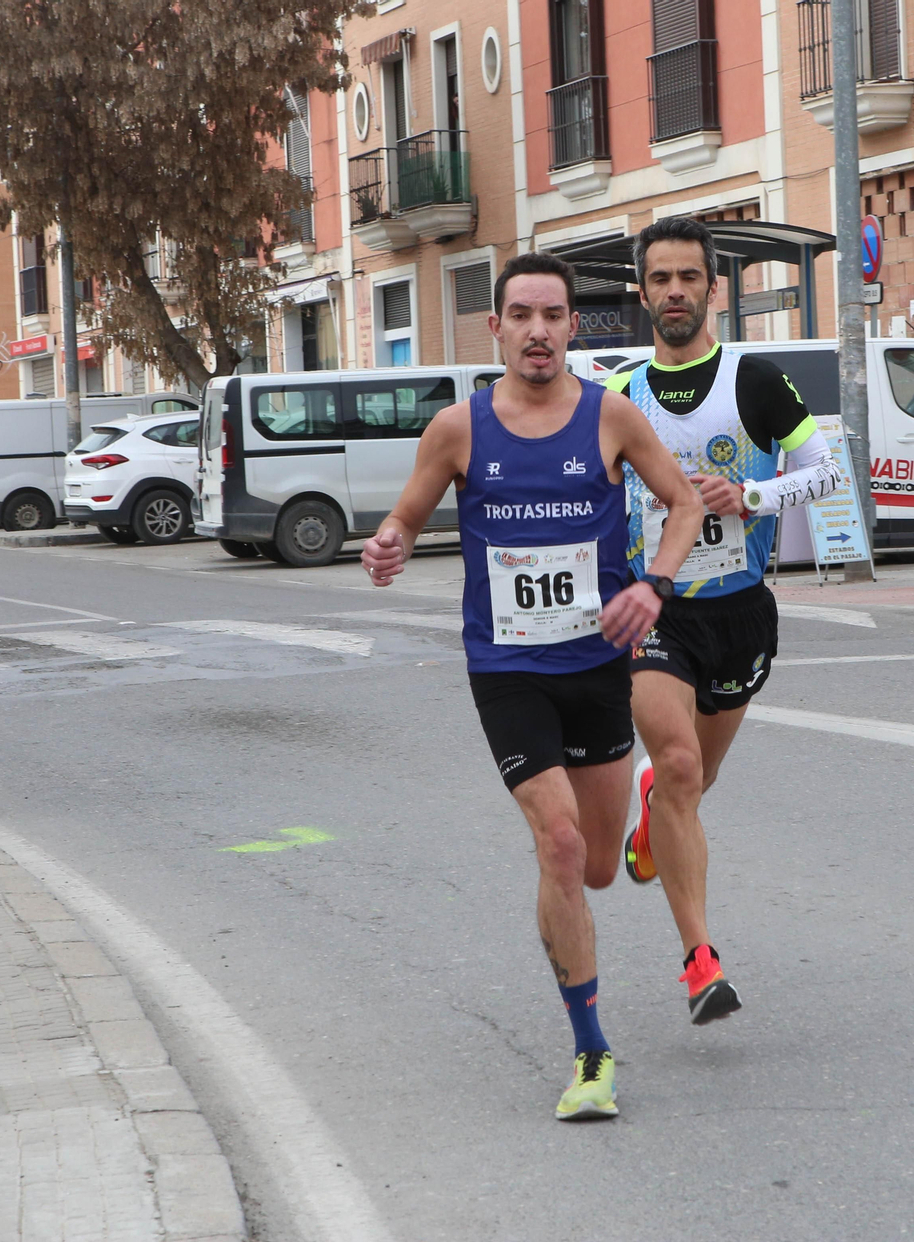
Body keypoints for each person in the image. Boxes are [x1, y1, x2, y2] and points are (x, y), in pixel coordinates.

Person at [361, 252, 703, 1120]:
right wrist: (390, 542)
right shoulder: (460, 429)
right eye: (523, 315)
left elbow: (686, 505)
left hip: (596, 665)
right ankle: (591, 1052)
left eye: (554, 316)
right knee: (557, 846)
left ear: (573, 328)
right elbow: (406, 513)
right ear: (497, 329)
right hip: (507, 670)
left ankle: (641, 809)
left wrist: (652, 585)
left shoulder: (611, 416)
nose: (539, 332)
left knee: (594, 867)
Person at [605, 216, 845, 1024]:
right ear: (642, 294)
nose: (675, 291)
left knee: (694, 780)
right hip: (656, 612)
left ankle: (653, 820)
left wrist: (754, 496)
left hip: (741, 615)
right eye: (661, 279)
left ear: (713, 288)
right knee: (676, 768)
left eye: (689, 278)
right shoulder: (620, 397)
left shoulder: (756, 381)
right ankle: (701, 960)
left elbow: (828, 473)